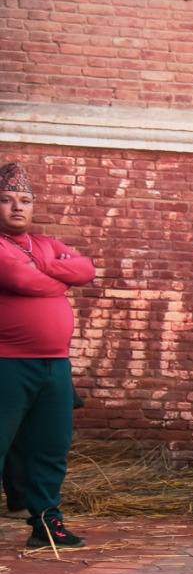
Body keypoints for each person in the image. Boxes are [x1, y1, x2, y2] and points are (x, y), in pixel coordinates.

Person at [0, 162, 96, 549]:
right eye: (6, 200)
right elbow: (19, 279)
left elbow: (86, 270)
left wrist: (40, 263)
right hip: (7, 363)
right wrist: (58, 276)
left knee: (51, 445)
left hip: (55, 364)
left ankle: (45, 524)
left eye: (24, 200)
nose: (16, 208)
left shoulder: (43, 244)